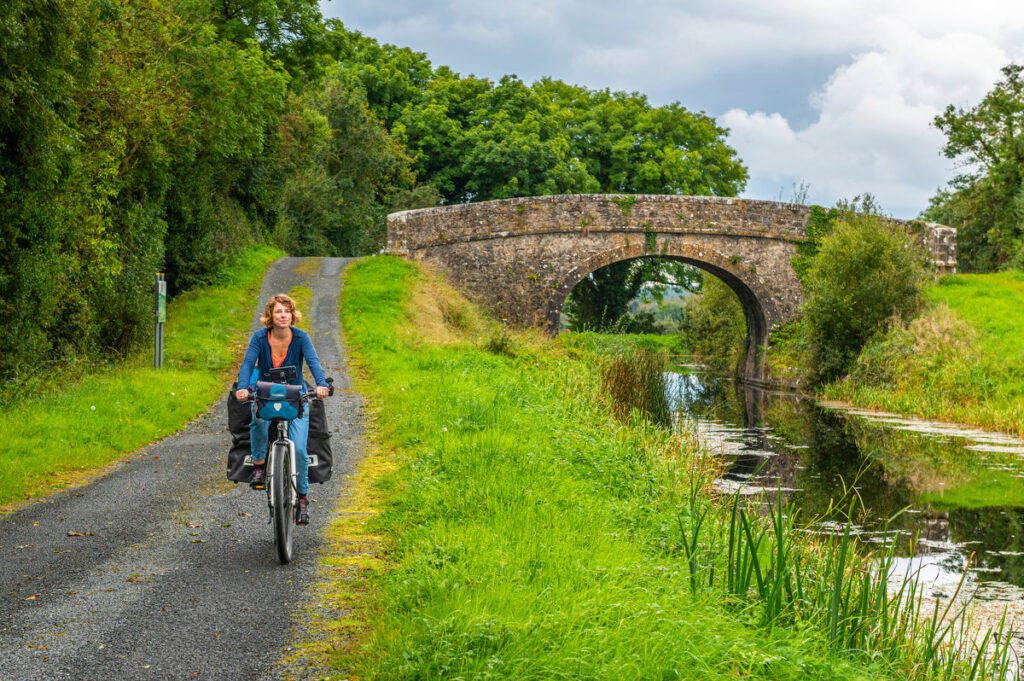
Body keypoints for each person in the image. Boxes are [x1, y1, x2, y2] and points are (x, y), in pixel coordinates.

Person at [235, 294, 329, 525]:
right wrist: (242, 388)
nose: (283, 315)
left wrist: (322, 385)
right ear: (270, 315)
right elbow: (248, 364)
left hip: (295, 397)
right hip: (267, 394)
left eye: (287, 311)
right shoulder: (259, 338)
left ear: (293, 315)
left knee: (298, 450)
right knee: (257, 420)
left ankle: (303, 498)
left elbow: (313, 362)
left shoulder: (301, 337)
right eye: (278, 311)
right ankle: (259, 466)